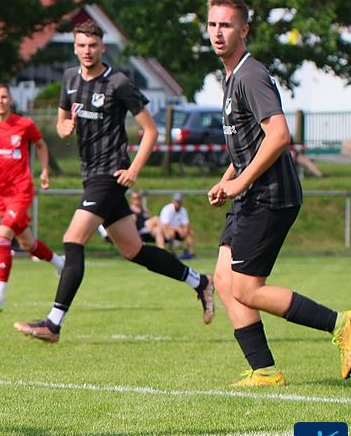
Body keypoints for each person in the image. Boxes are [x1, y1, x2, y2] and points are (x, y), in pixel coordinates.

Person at [13, 20, 215, 343]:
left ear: (102, 47)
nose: (87, 51)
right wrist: (64, 128)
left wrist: (134, 169)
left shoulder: (118, 82)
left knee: (73, 239)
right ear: (75, 47)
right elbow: (63, 120)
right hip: (90, 174)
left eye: (93, 45)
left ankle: (53, 323)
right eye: (81, 45)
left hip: (111, 174)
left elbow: (151, 131)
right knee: (134, 250)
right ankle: (200, 282)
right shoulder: (70, 79)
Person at [204, 0, 351, 386]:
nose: (218, 33)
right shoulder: (230, 77)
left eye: (226, 25)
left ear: (244, 30)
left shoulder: (250, 75)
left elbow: (278, 135)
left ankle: (342, 323)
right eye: (212, 25)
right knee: (223, 278)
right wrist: (227, 179)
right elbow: (249, 143)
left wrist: (240, 182)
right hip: (249, 193)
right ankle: (265, 371)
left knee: (246, 289)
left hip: (270, 195)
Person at [0, 83, 63, 312]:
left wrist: (44, 171)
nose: (0, 100)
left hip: (22, 190)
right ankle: (61, 264)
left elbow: (41, 145)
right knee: (27, 243)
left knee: (1, 238)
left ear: (10, 100)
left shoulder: (24, 124)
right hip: (1, 195)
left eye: (4, 97)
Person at [158, 192, 196, 259]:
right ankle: (172, 253)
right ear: (173, 201)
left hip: (178, 231)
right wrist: (177, 229)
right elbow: (165, 225)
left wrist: (185, 231)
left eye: (179, 201)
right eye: (176, 201)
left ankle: (191, 253)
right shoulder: (167, 209)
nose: (178, 203)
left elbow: (186, 224)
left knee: (190, 232)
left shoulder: (183, 210)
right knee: (171, 232)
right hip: (166, 231)